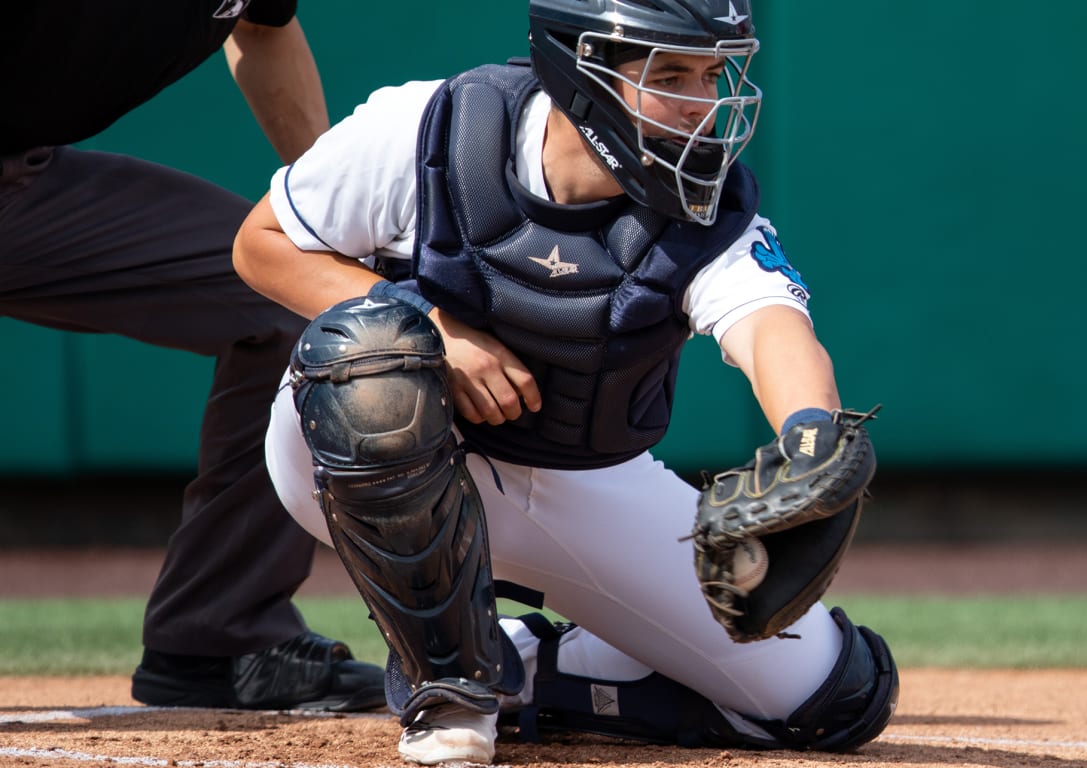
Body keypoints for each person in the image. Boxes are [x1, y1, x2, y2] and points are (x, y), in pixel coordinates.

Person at [232, 0, 898, 763]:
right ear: (580, 68)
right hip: (361, 449)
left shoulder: (705, 207)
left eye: (713, 74)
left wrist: (811, 433)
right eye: (670, 72)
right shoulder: (430, 127)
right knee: (379, 355)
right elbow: (262, 245)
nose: (702, 102)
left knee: (833, 695)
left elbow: (773, 329)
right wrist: (432, 329)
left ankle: (523, 660)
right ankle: (447, 684)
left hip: (569, 472)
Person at [1, 1, 385, 711]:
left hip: (22, 188)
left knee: (295, 303)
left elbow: (264, 27)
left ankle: (220, 636)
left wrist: (340, 221)